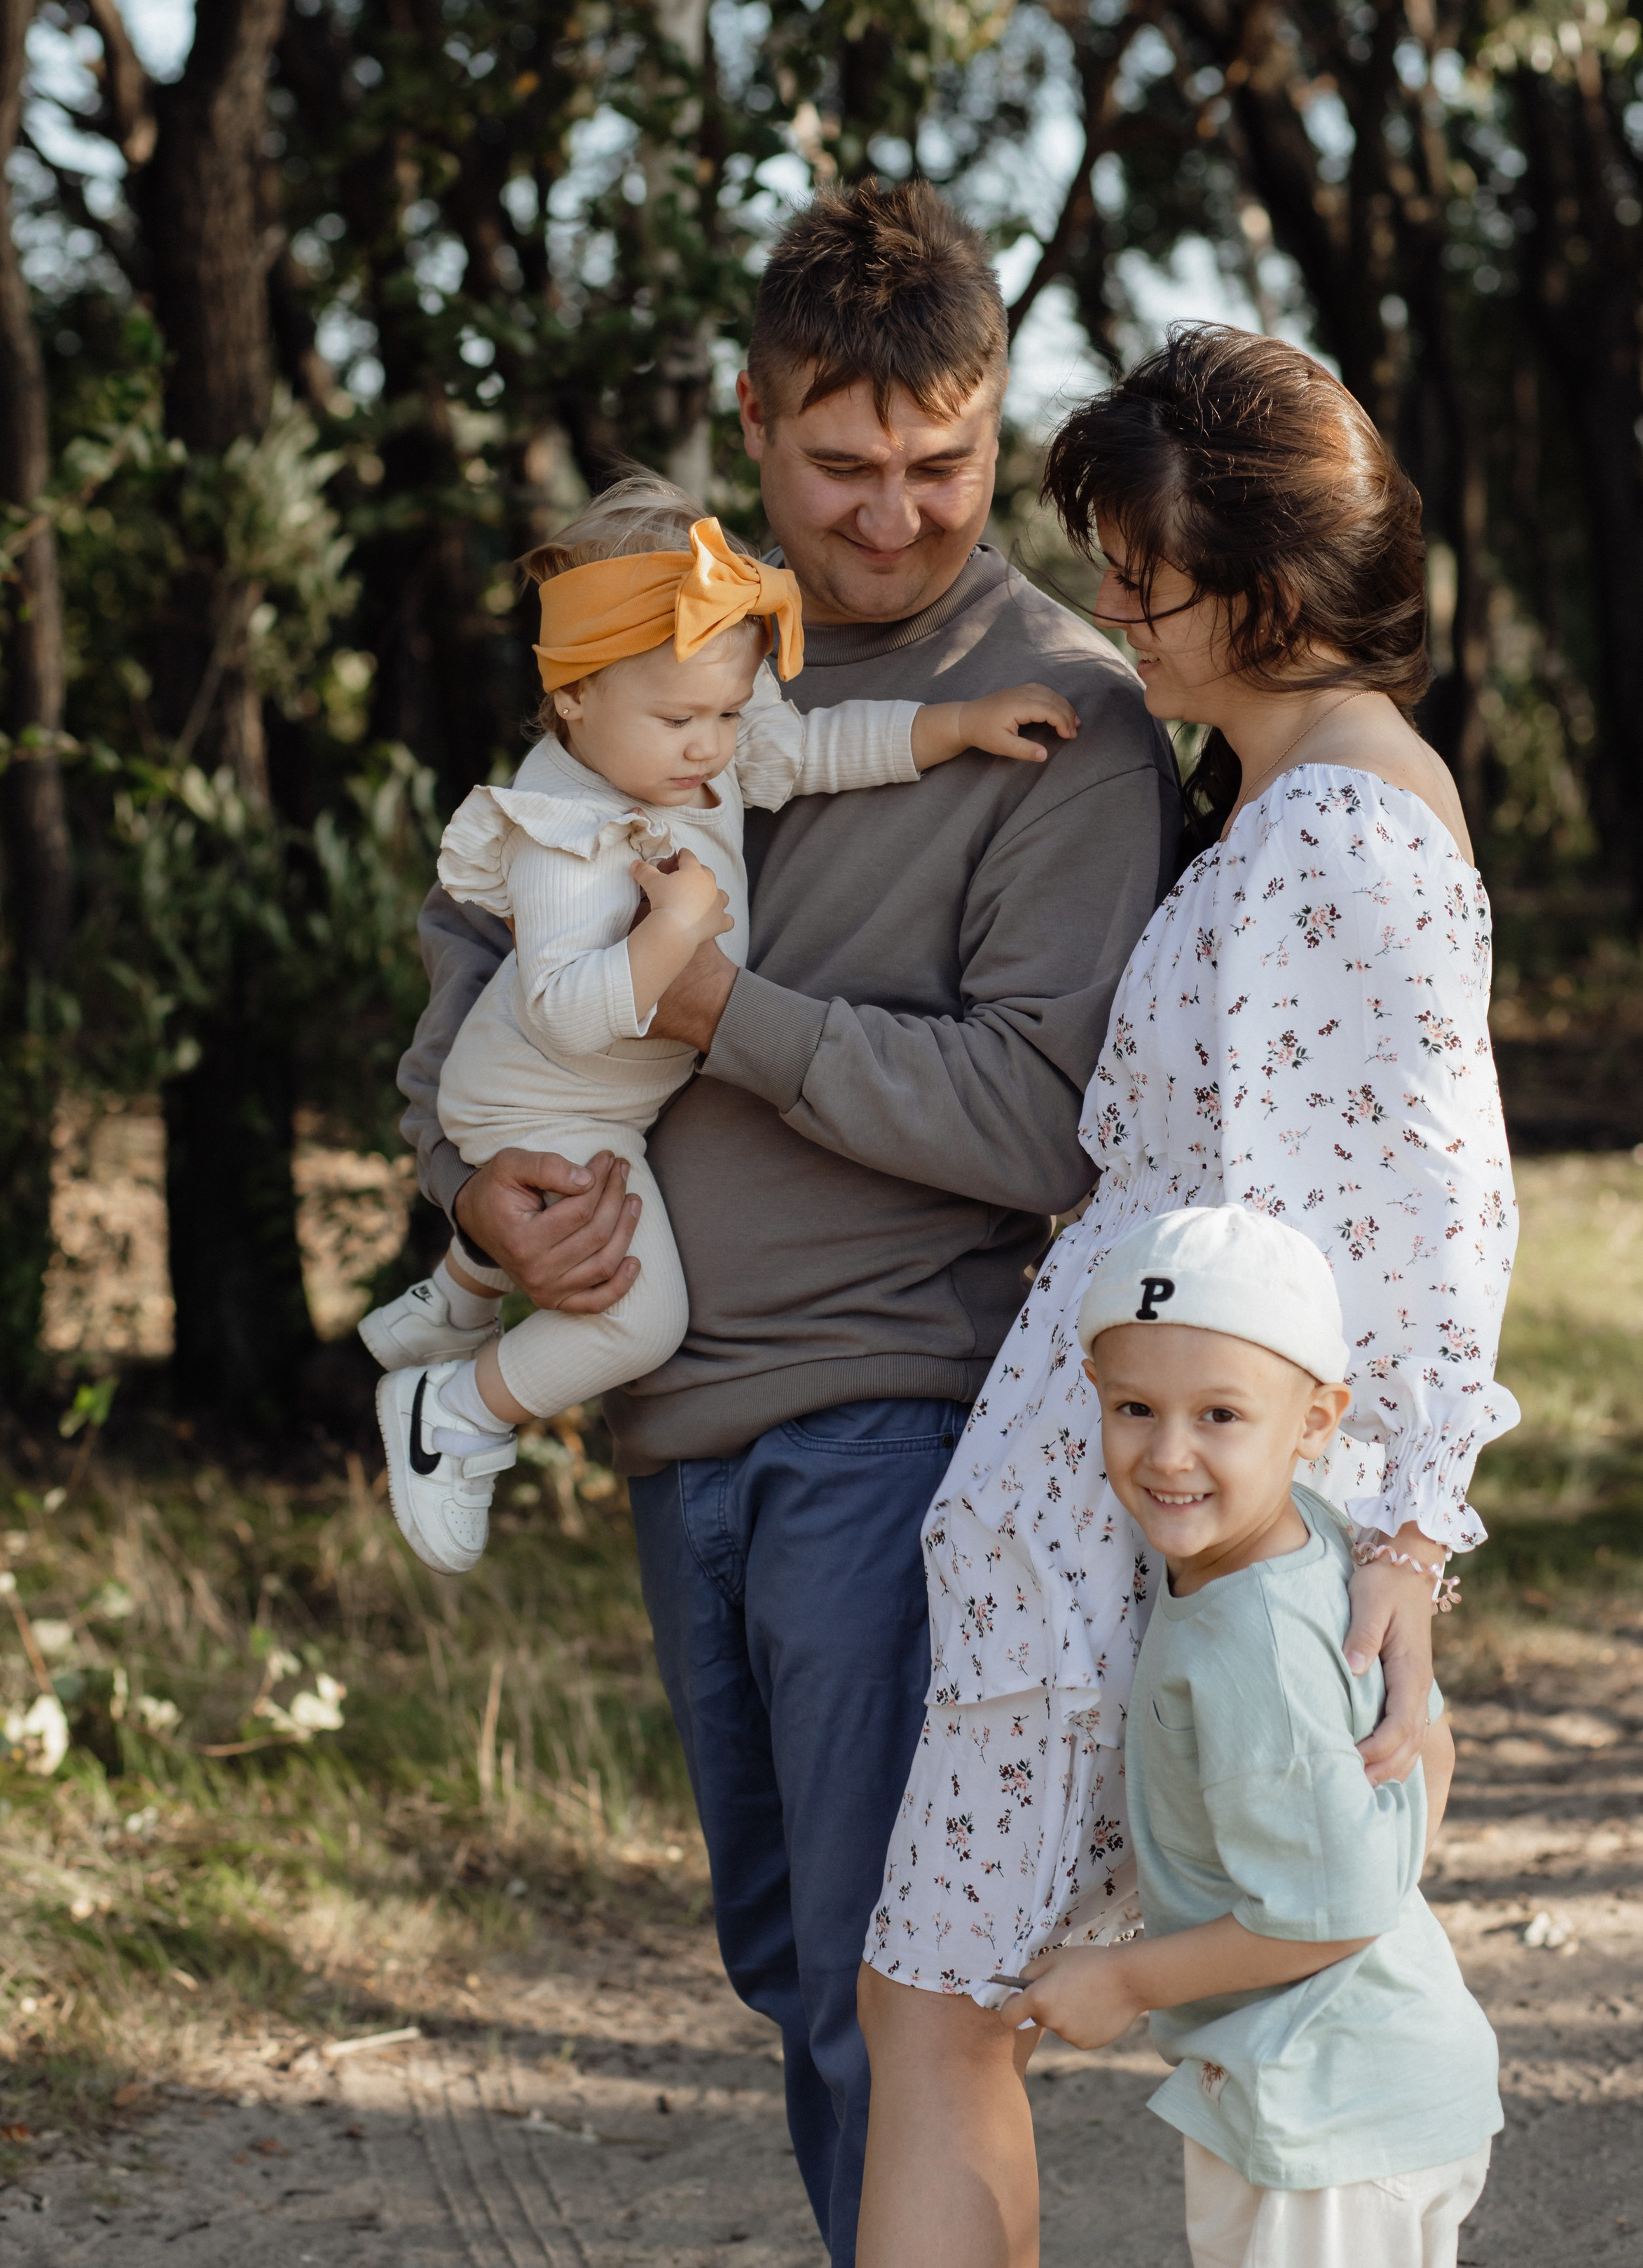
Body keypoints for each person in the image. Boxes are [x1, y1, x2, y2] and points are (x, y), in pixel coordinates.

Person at [394, 179, 1183, 2266]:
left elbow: (1038, 1117)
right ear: (751, 417)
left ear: (997, 418)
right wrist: (476, 1193)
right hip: (674, 1420)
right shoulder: (652, 639)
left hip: (896, 1421)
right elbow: (476, 961)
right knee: (786, 1966)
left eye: (944, 463)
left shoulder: (1065, 719)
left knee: (887, 1994)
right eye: (843, 464)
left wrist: (718, 1013)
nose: (896, 516)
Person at [857, 323, 1520, 2268]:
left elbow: (1430, 1223)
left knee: (941, 2012)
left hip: (1124, 1532)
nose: (1117, 612)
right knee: (947, 2011)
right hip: (1113, 1513)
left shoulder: (1337, 836)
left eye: (1145, 578)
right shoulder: (1294, 805)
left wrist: (1404, 1548)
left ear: (1270, 596)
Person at [362, 471, 1078, 1577]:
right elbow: (570, 1012)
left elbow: (821, 750)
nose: (711, 748)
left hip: (604, 1096)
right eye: (681, 720)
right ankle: (453, 1413)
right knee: (634, 1320)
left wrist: (959, 725)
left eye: (729, 714)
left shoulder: (685, 750)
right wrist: (679, 935)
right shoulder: (565, 836)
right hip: (548, 1097)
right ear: (574, 700)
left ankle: (452, 1302)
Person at [1000, 1201, 1501, 2268]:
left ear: (1316, 1422)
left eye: (1220, 1415)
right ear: (1094, 1392)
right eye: (1136, 1408)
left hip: (1330, 2110)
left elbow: (1333, 1910)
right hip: (1362, 2074)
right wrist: (1363, 1879)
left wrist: (1123, 1980)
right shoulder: (1317, 1540)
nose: (1169, 1453)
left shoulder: (1252, 1644)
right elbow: (1432, 1749)